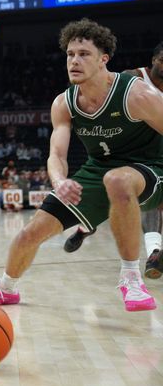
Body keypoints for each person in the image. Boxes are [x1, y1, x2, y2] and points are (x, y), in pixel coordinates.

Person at [0, 19, 163, 312]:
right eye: (70, 54)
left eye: (84, 54)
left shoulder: (136, 94)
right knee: (30, 233)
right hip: (99, 171)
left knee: (118, 180)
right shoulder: (64, 103)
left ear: (104, 59)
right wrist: (59, 181)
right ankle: (6, 288)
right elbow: (56, 155)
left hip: (152, 167)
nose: (74, 60)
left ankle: (131, 279)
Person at [66, 41, 163, 280]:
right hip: (126, 150)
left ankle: (155, 254)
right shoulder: (132, 79)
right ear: (153, 60)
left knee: (153, 199)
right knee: (116, 197)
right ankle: (85, 227)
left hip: (156, 150)